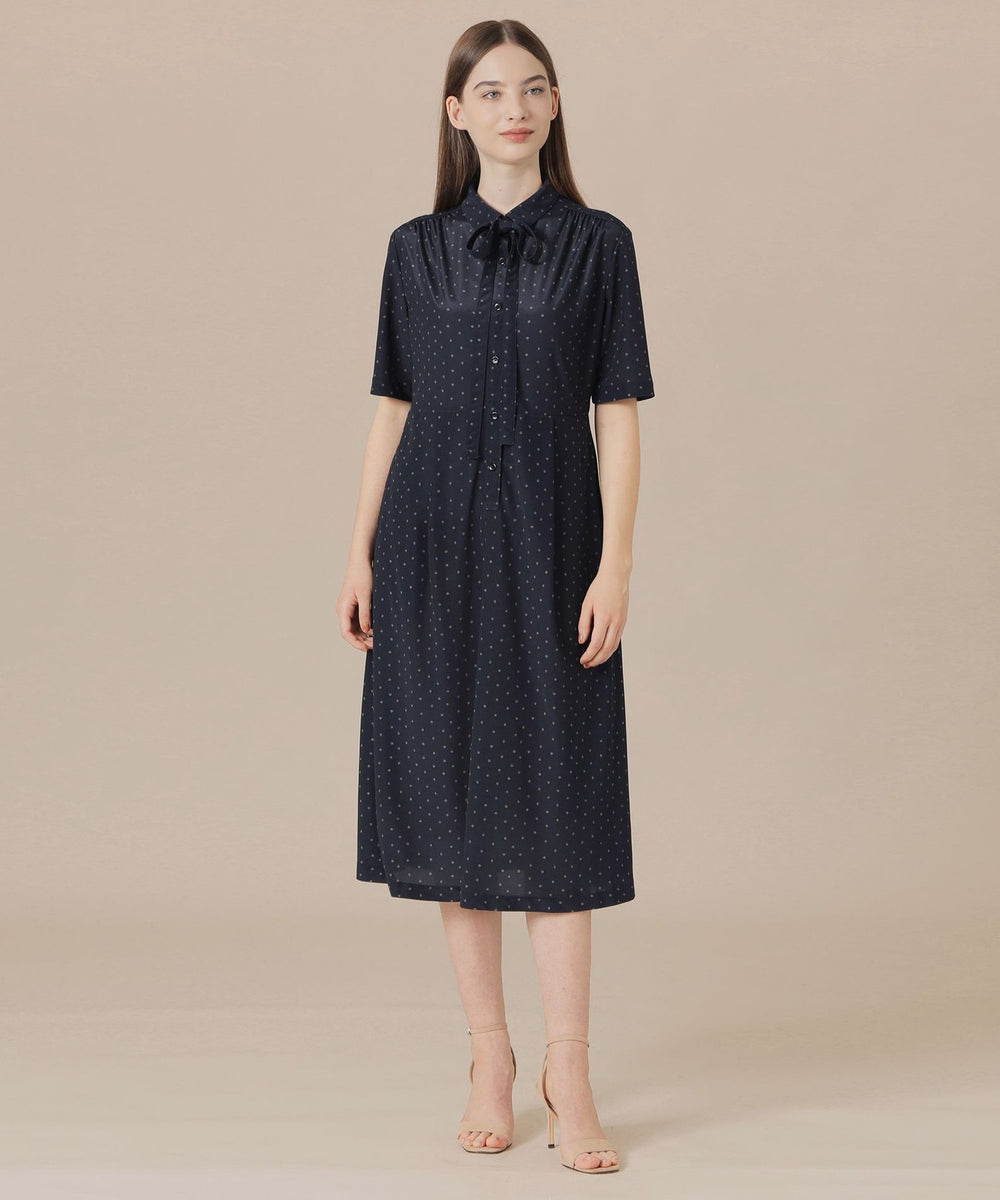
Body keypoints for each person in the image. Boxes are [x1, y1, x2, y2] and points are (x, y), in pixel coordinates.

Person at [338, 19, 654, 1175]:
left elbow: (617, 411)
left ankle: (570, 1070)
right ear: (455, 113)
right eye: (488, 91)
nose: (511, 107)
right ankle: (489, 1057)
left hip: (552, 545)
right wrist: (359, 550)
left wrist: (615, 564)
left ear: (554, 105)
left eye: (531, 88)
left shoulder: (600, 246)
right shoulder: (413, 250)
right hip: (426, 547)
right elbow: (394, 405)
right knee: (448, 799)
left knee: (557, 802)